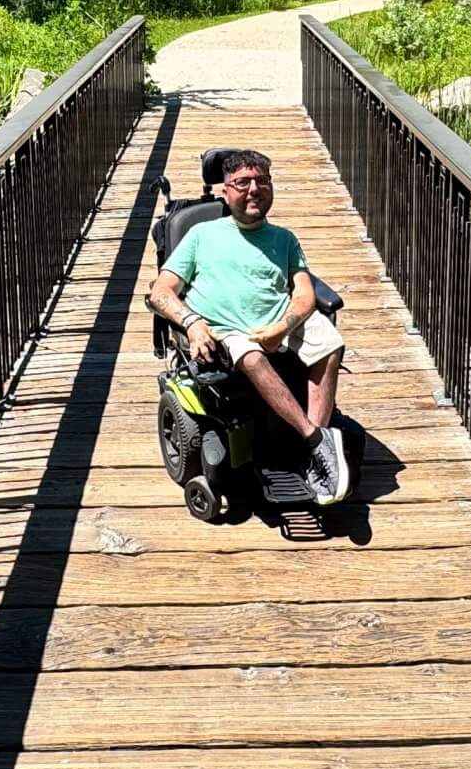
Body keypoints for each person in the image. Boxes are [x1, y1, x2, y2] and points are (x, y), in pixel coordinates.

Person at [145, 148, 350, 503]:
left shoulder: (285, 239)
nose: (254, 189)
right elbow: (160, 292)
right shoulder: (200, 235)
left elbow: (303, 295)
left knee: (330, 340)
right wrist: (192, 324)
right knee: (251, 355)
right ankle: (315, 442)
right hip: (227, 331)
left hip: (278, 323)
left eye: (262, 181)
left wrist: (282, 328)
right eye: (242, 183)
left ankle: (315, 446)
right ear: (226, 191)